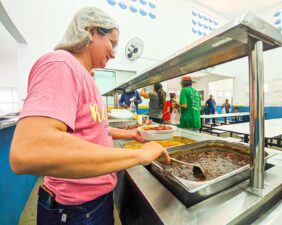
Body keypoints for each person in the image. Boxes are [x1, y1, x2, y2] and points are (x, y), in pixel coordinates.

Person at [9, 7, 170, 225]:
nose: (114, 53)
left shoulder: (85, 76)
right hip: (74, 211)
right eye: (112, 43)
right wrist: (139, 155)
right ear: (91, 31)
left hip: (92, 204)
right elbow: (28, 151)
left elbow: (93, 128)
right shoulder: (61, 65)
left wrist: (131, 134)